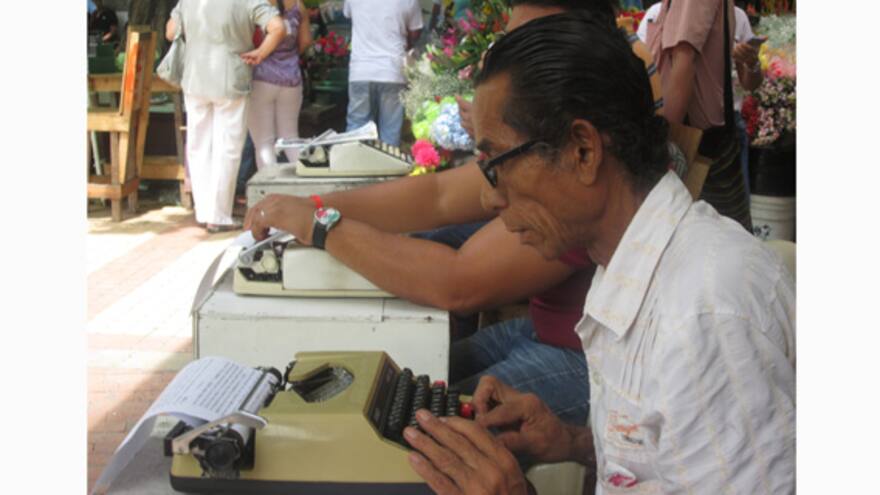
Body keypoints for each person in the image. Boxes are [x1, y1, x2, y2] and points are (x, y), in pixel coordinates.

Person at [402, 12, 795, 493]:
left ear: (583, 151)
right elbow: (670, 462)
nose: (490, 199)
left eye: (496, 165)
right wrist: (573, 442)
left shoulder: (701, 317)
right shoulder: (627, 263)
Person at [244, 0, 644, 430]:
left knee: (416, 430)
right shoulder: (558, 155)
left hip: (580, 356)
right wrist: (316, 207)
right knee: (405, 377)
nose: (495, 200)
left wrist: (321, 226)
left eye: (527, 51)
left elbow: (459, 281)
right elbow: (438, 195)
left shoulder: (581, 184)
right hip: (551, 328)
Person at [166, 0, 285, 233]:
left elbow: (170, 32)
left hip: (195, 78)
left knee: (198, 146)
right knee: (227, 148)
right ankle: (218, 215)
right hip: (232, 77)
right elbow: (278, 27)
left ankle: (203, 210)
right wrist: (261, 52)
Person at [646, 0, 753, 232]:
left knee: (712, 247)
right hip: (707, 142)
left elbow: (684, 62)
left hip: (696, 148)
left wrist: (665, 146)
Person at [343, 0, 423, 146]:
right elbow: (415, 31)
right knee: (390, 131)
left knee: (356, 127)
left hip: (361, 70)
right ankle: (389, 167)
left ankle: (353, 165)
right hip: (393, 71)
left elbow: (348, 15)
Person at [248, 0, 312, 171]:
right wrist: (288, 56)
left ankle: (271, 189)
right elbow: (306, 40)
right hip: (291, 79)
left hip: (260, 78)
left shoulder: (256, 3)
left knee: (264, 143)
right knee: (291, 138)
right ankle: (304, 184)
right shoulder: (299, 5)